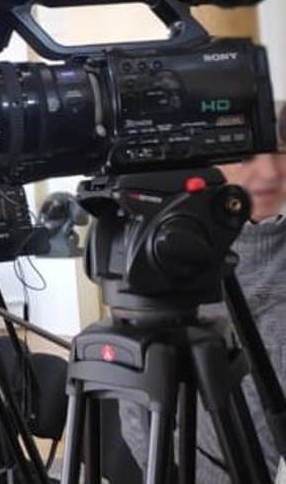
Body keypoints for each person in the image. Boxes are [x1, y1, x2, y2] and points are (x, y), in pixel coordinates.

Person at [119, 152, 286, 482]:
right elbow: (138, 422)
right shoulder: (166, 268)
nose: (269, 171)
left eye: (280, 148)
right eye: (243, 156)